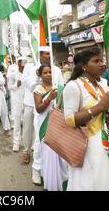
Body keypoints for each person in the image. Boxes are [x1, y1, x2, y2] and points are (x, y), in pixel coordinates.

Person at [62, 47, 109, 191]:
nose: (102, 64)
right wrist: (99, 107)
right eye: (96, 61)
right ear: (84, 66)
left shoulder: (103, 85)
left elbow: (108, 114)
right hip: (87, 147)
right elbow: (69, 120)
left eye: (102, 60)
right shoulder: (73, 86)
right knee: (90, 183)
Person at [22, 46, 64, 185]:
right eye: (46, 54)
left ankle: (54, 172)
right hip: (39, 110)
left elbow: (61, 86)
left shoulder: (56, 69)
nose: (49, 56)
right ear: (40, 55)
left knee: (56, 142)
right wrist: (37, 75)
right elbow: (30, 86)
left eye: (50, 53)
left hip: (56, 112)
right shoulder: (30, 67)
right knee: (40, 141)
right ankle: (36, 170)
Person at [34, 65, 68, 191]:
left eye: (50, 72)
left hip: (59, 125)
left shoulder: (59, 88)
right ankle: (50, 184)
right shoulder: (38, 89)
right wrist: (49, 98)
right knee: (48, 155)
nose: (48, 74)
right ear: (40, 75)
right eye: (45, 73)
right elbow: (39, 109)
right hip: (45, 126)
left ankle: (62, 183)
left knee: (61, 156)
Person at [7, 57, 26, 152]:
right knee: (17, 122)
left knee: (27, 123)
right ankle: (16, 142)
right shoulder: (13, 74)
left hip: (27, 101)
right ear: (18, 63)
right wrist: (16, 85)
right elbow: (9, 87)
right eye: (22, 62)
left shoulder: (28, 74)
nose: (23, 64)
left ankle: (27, 143)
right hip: (17, 101)